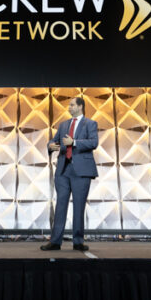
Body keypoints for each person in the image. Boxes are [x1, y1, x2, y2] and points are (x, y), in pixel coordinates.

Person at [40, 96, 98, 251]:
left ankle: (78, 242)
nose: (69, 107)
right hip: (63, 170)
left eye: (72, 105)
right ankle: (55, 241)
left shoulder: (90, 124)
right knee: (60, 206)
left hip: (81, 171)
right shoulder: (64, 124)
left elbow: (94, 142)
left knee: (79, 206)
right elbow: (54, 140)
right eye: (69, 105)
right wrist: (51, 145)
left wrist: (75, 143)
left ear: (80, 107)